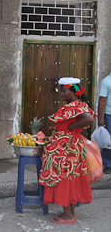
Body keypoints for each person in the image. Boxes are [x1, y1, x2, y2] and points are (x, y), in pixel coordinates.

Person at [39, 77, 95, 224]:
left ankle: (68, 215)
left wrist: (71, 128)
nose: (62, 94)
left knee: (64, 178)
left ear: (73, 91)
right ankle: (69, 212)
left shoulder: (76, 106)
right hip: (69, 147)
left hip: (66, 148)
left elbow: (89, 119)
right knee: (70, 178)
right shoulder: (76, 105)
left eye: (64, 91)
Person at [98, 71, 111, 174]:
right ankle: (107, 164)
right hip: (109, 114)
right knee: (108, 140)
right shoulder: (106, 81)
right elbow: (102, 100)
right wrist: (100, 118)